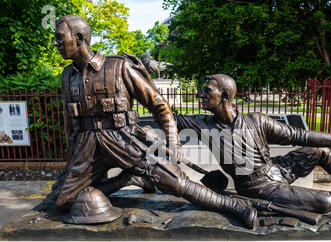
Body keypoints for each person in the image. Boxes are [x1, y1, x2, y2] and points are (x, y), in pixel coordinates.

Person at [53, 16, 256, 228]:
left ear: (78, 38)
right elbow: (70, 121)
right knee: (65, 202)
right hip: (88, 146)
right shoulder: (68, 75)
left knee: (176, 182)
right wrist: (71, 161)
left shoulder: (118, 67)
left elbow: (158, 104)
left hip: (123, 139)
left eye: (60, 37)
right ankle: (126, 179)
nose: (56, 43)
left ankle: (234, 207)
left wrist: (173, 141)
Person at [174, 74, 331, 213]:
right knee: (325, 202)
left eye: (207, 90)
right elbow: (163, 113)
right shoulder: (200, 124)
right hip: (260, 189)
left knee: (318, 150)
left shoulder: (257, 121)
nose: (200, 95)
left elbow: (304, 136)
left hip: (276, 169)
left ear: (224, 95)